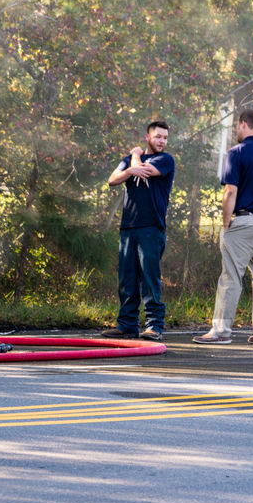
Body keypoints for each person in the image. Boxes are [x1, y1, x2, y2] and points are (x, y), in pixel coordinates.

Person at [193, 108, 253, 345]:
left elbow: (230, 191)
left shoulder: (236, 152)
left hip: (244, 220)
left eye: (237, 126)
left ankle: (221, 331)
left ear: (243, 124)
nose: (236, 130)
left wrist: (226, 224)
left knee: (231, 277)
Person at [101, 120, 175, 342]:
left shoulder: (165, 160)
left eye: (165, 138)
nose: (162, 141)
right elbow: (112, 180)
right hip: (128, 227)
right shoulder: (127, 162)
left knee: (150, 278)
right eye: (158, 137)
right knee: (127, 278)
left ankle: (154, 326)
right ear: (148, 137)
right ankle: (126, 325)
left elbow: (143, 170)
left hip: (151, 227)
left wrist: (134, 157)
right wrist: (130, 167)